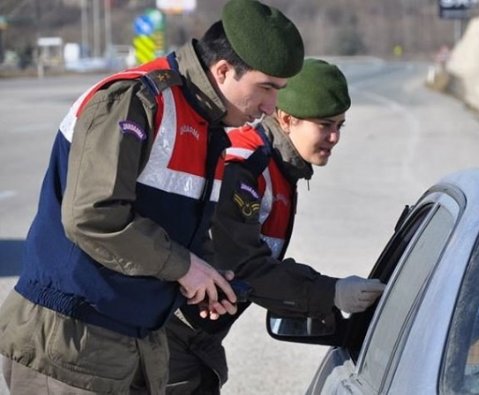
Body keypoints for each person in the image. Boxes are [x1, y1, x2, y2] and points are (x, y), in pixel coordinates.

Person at [0, 0, 305, 393]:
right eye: (265, 88)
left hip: (136, 343)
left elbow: (172, 230)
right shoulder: (135, 101)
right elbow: (93, 217)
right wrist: (184, 269)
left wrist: (204, 279)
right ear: (224, 70)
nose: (271, 107)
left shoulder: (206, 124)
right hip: (71, 345)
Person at [165, 58, 386, 393]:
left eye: (341, 125)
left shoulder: (279, 166)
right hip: (170, 336)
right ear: (286, 119)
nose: (335, 137)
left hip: (197, 339)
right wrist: (332, 292)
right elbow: (243, 265)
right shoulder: (245, 167)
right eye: (325, 125)